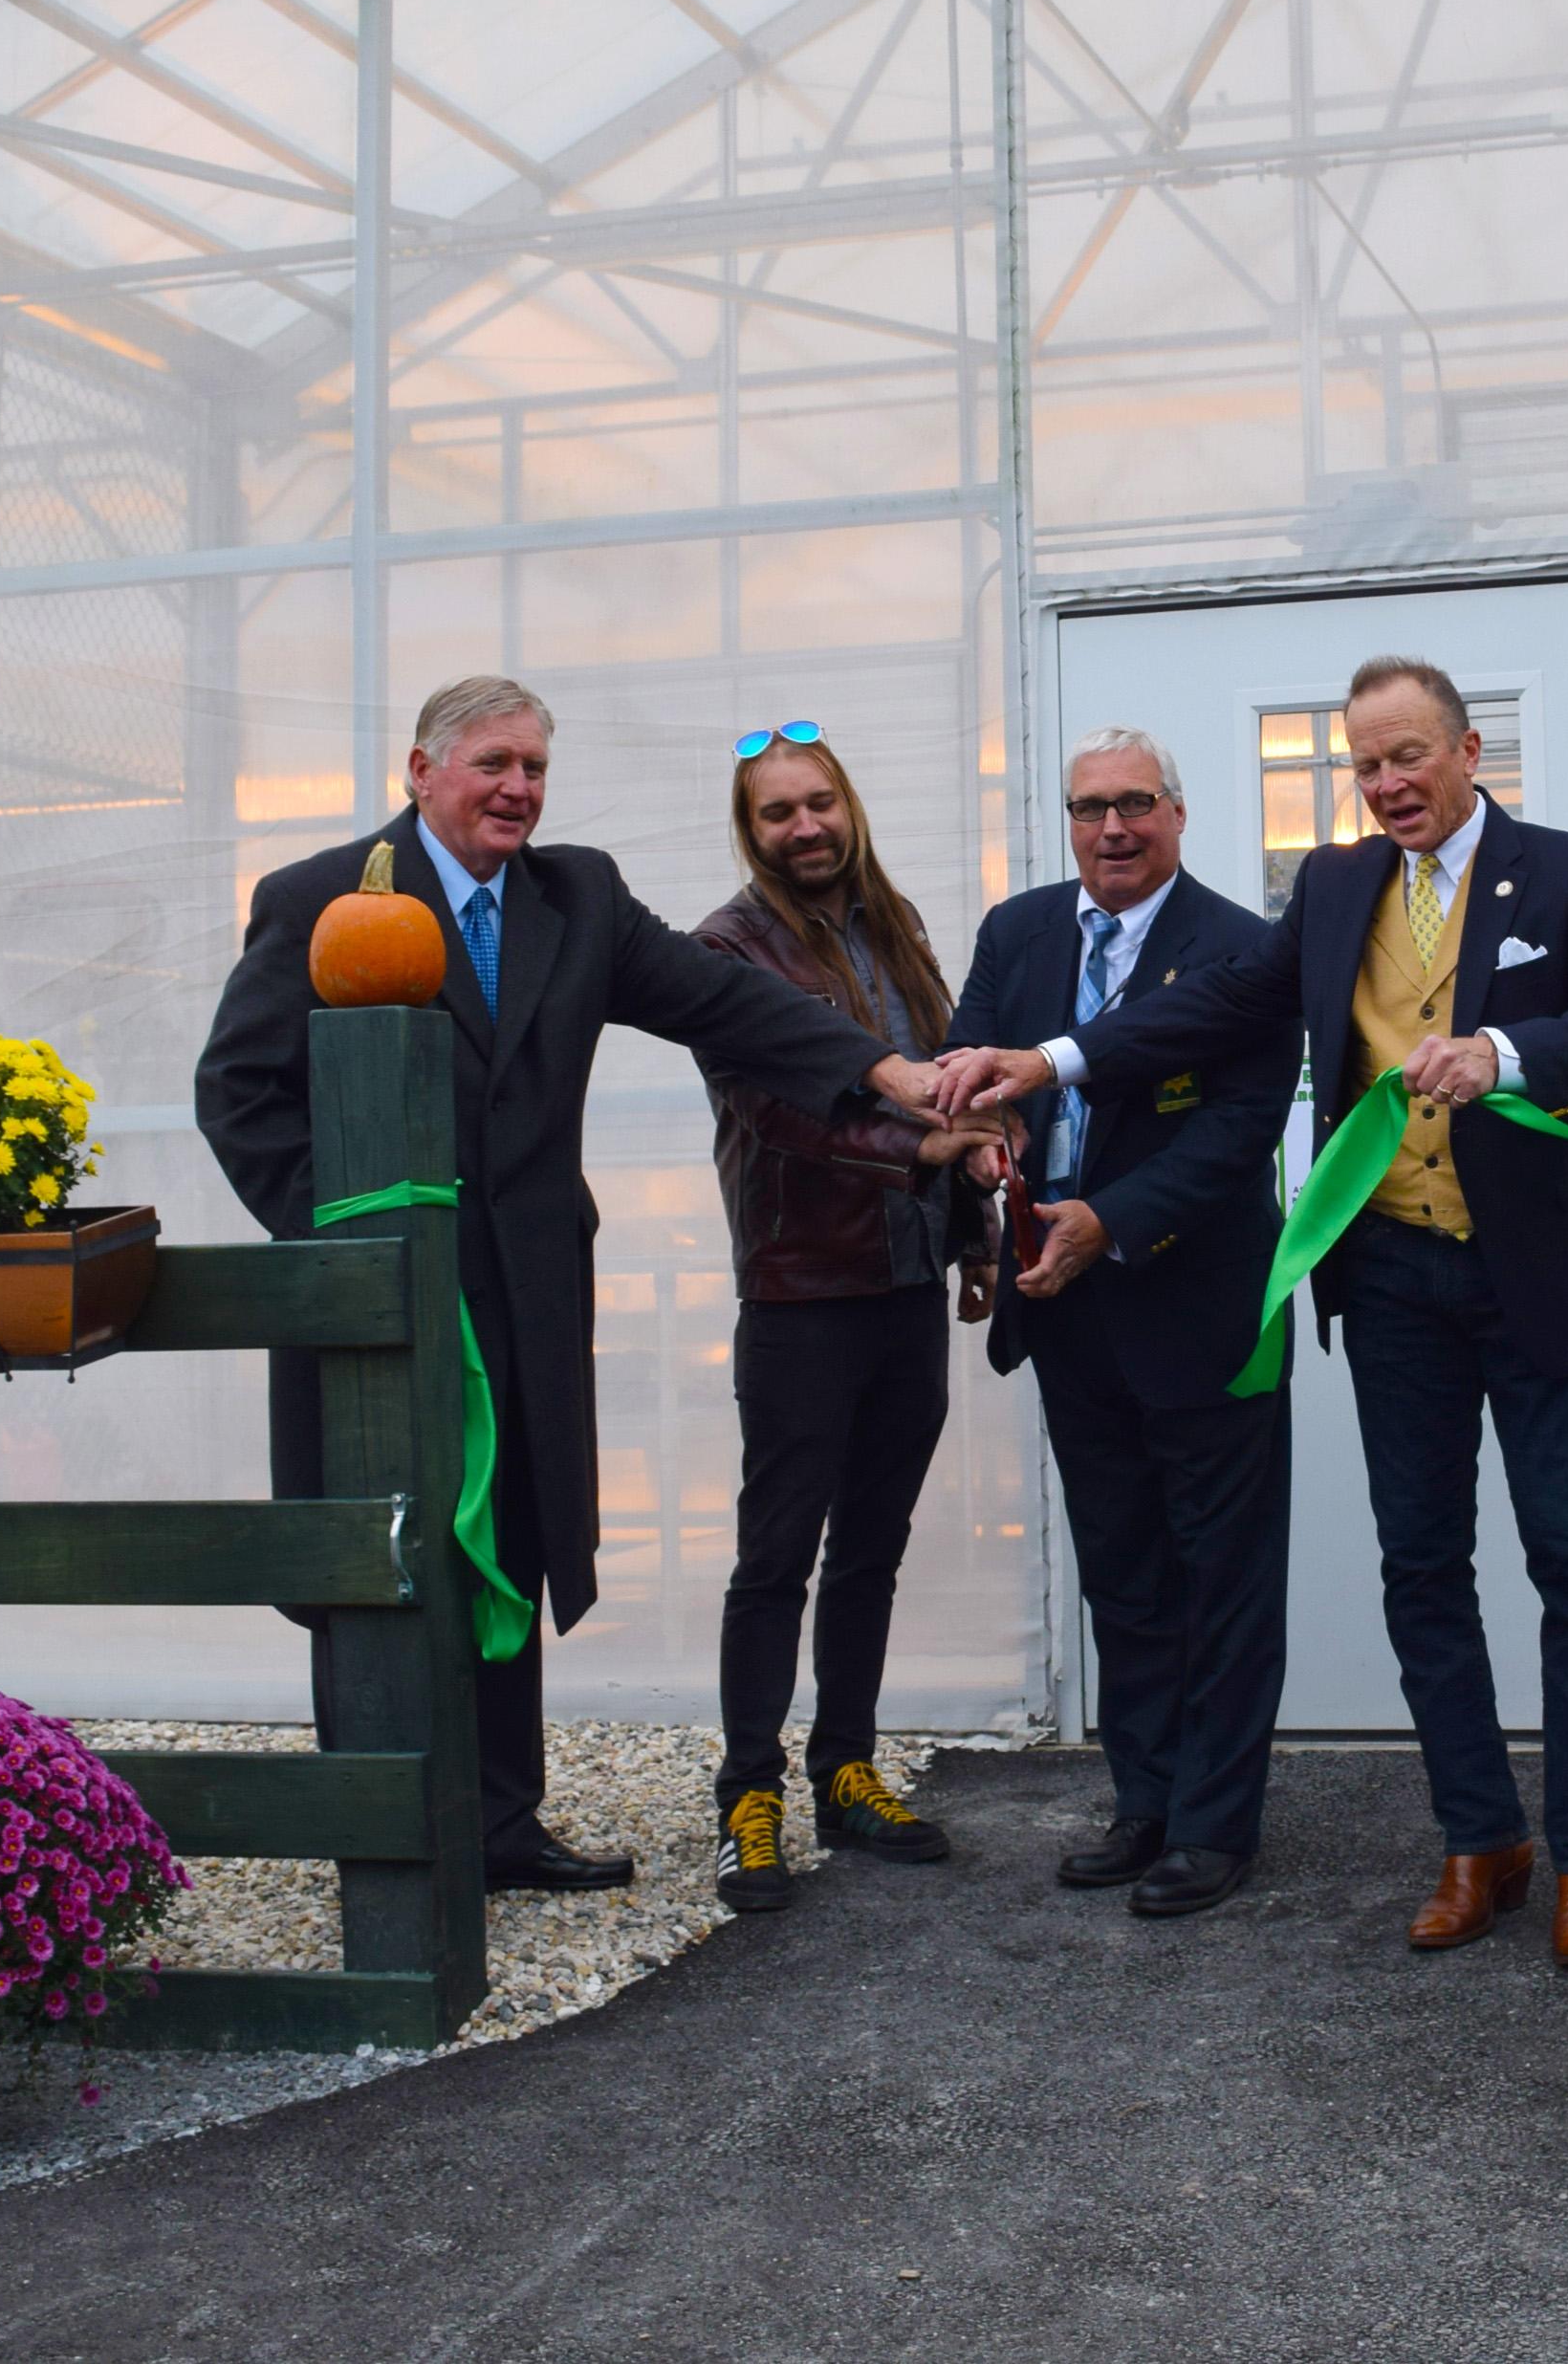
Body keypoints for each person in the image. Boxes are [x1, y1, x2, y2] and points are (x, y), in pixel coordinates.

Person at [936, 656, 1568, 1971]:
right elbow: (1221, 1004)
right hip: (1387, 1276)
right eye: (1366, 765)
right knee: (1421, 1567)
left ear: (1465, 751)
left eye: (1409, 758)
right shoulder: (1332, 887)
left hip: (1543, 1277)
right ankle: (1478, 1840)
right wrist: (1049, 1060)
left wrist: (1504, 1053)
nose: (1388, 784)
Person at [197, 677, 952, 1894]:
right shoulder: (324, 902)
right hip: (383, 1294)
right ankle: (384, 1829)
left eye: (534, 769)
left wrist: (878, 1070)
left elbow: (727, 1002)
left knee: (512, 1533)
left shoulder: (578, 897)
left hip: (529, 1288)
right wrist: (341, 1236)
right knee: (384, 1550)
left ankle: (501, 1825)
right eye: (493, 764)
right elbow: (238, 1091)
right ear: (420, 770)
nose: (517, 790)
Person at [945, 729, 1294, 1920]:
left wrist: (1113, 1218)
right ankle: (1141, 1799)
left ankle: (1214, 1825)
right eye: (1089, 807)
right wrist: (992, 1156)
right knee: (1124, 1569)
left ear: (1178, 814)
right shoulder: (1019, 931)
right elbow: (968, 1061)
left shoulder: (1244, 949)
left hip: (1199, 1304)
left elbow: (1237, 1130)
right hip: (1066, 1305)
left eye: (1134, 803)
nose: (1111, 829)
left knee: (1223, 1572)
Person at [688, 726, 1007, 1915]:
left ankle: (845, 1767)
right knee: (775, 1557)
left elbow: (949, 1077)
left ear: (848, 806)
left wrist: (968, 1237)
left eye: (819, 803)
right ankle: (745, 1792)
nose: (805, 828)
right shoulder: (730, 948)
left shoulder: (897, 926)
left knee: (871, 1546)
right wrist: (921, 1143)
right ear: (751, 830)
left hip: (903, 1282)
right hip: (798, 1289)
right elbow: (780, 1110)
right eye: (778, 814)